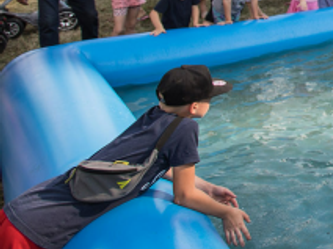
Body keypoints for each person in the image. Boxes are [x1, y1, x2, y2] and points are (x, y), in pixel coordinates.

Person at [0, 65, 251, 249]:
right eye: (209, 99)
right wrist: (226, 213)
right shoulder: (185, 128)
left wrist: (207, 187)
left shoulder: (154, 115)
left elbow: (152, 165)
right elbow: (183, 196)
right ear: (194, 107)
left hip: (21, 211)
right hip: (31, 232)